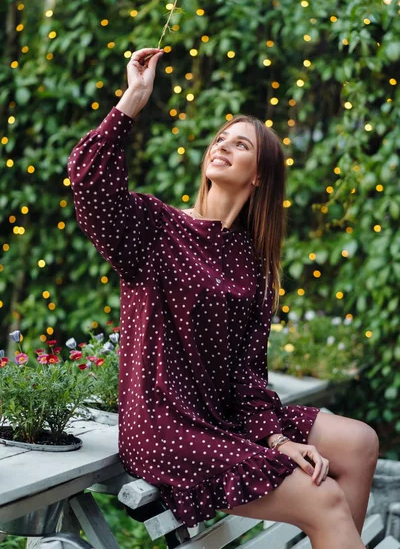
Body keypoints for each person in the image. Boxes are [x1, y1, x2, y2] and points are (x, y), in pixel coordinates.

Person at [68, 47, 379, 549]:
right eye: (220, 139)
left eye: (241, 145)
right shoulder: (156, 227)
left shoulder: (254, 263)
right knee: (323, 499)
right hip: (168, 425)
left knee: (360, 442)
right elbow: (89, 183)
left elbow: (247, 375)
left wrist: (277, 438)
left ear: (259, 176)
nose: (223, 147)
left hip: (226, 414)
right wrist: (132, 99)